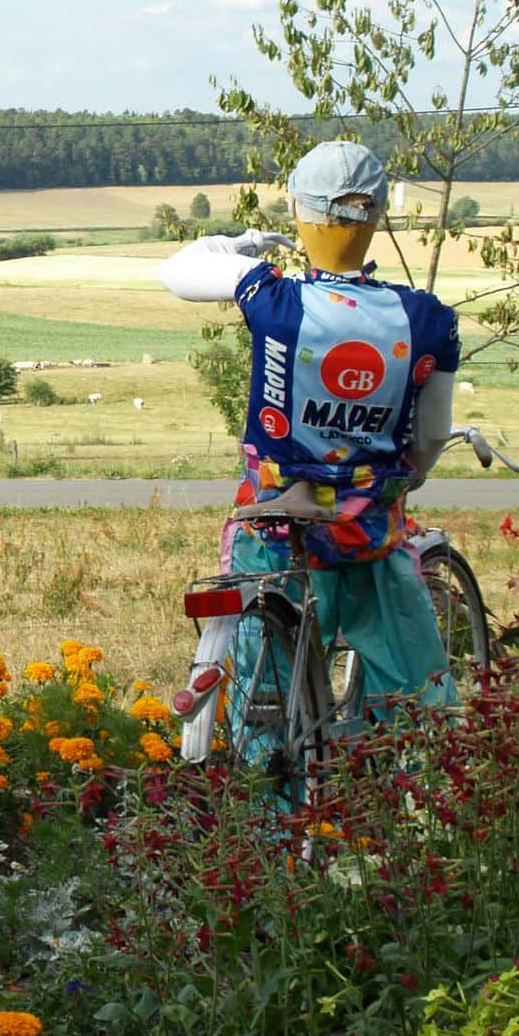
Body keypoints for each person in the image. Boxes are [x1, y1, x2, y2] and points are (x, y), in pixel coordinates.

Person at [156, 140, 462, 717]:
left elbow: (176, 271)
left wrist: (243, 247)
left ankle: (274, 797)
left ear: (298, 211)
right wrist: (402, 482)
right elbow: (431, 437)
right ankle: (397, 786)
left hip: (275, 524)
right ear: (376, 214)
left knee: (268, 684)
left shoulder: (276, 299)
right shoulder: (429, 320)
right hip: (367, 531)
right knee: (411, 689)